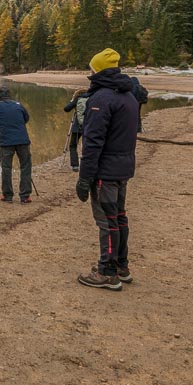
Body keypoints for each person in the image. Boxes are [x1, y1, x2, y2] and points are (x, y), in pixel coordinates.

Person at [75, 48, 141, 290]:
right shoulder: (128, 96)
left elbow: (93, 142)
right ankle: (121, 265)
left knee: (106, 220)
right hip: (123, 167)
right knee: (119, 217)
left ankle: (107, 272)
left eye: (91, 68)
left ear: (98, 70)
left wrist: (84, 178)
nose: (89, 71)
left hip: (106, 171)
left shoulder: (101, 99)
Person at [0, 87, 33, 203]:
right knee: (25, 167)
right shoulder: (18, 104)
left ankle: (7, 196)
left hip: (7, 142)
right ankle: (25, 196)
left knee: (6, 168)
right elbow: (26, 118)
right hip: (23, 140)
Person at [62, 88, 89, 171]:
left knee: (73, 145)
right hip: (89, 126)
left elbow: (66, 109)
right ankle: (87, 164)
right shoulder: (91, 99)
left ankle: (75, 165)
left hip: (77, 127)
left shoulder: (77, 99)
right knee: (87, 145)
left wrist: (72, 101)